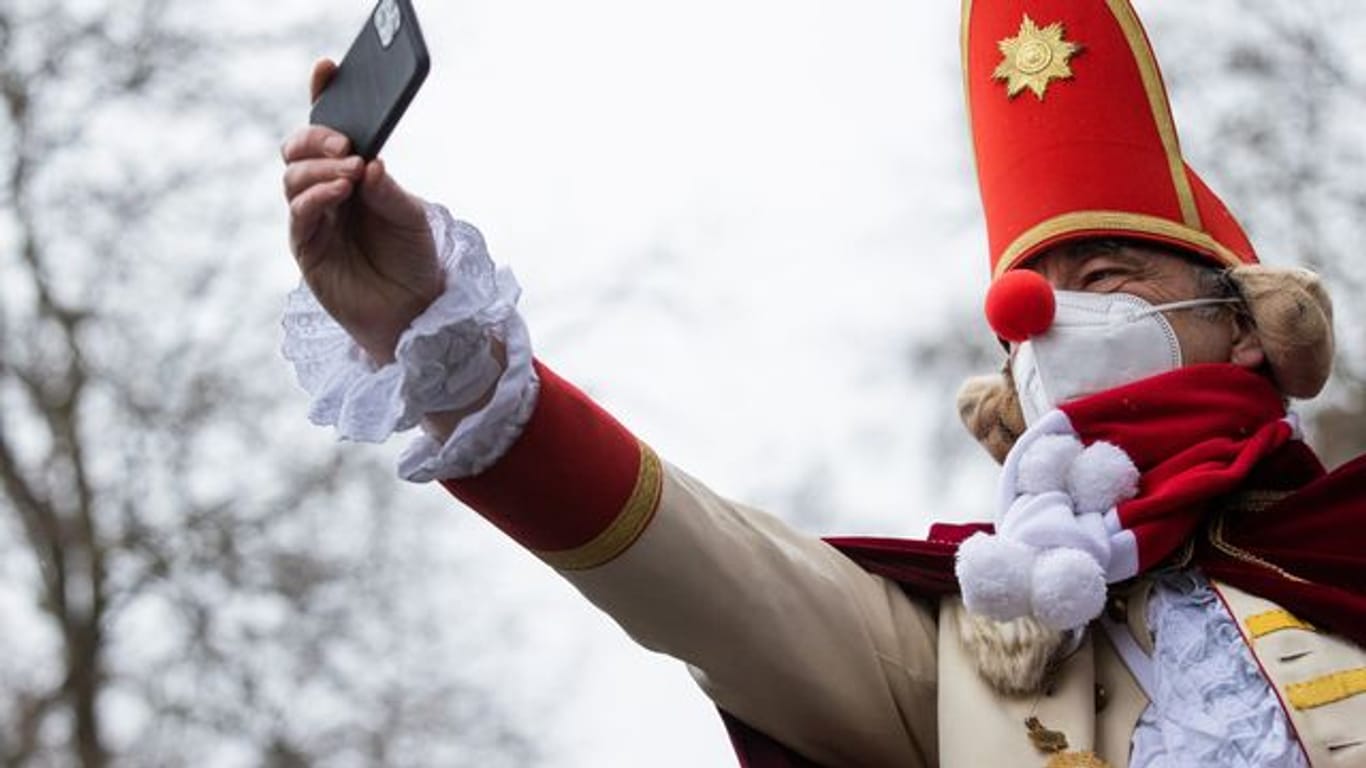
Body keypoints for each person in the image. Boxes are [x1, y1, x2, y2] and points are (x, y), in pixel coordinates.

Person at [279, 1, 1366, 765]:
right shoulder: (955, 658)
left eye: (1105, 276)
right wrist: (439, 335)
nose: (1041, 316)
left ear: (1243, 330)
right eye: (1028, 300)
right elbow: (710, 577)